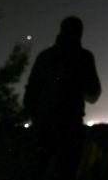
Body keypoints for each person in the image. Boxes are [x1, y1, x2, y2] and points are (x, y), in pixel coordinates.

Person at [23, 16, 101, 180]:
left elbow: (30, 93)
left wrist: (36, 119)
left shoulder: (44, 56)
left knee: (37, 171)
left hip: (43, 127)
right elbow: (93, 92)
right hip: (70, 129)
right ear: (80, 33)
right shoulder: (84, 57)